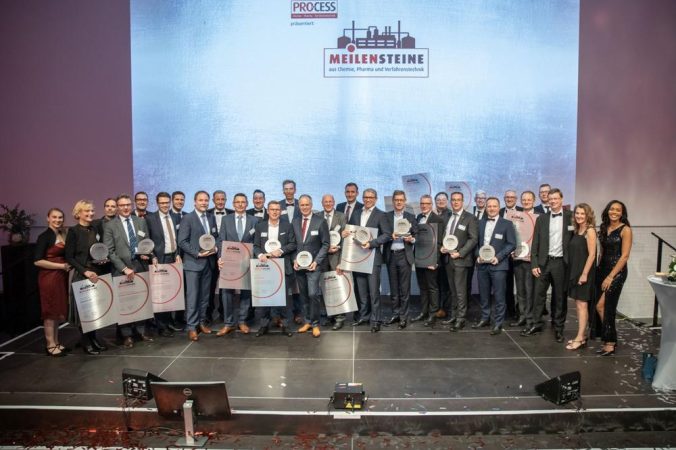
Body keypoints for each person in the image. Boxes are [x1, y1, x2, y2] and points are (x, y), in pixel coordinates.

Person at [523, 188, 573, 343]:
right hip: (543, 263)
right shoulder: (542, 218)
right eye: (551, 199)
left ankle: (558, 328)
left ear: (561, 199)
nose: (553, 201)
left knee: (559, 297)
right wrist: (534, 263)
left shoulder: (571, 217)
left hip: (561, 263)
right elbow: (536, 243)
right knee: (538, 295)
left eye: (556, 198)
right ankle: (536, 324)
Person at [104, 194, 154, 348]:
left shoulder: (141, 221)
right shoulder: (110, 225)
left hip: (140, 266)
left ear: (131, 205)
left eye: (127, 205)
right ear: (117, 207)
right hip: (121, 270)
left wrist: (147, 254)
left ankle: (141, 331)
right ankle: (127, 335)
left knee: (141, 300)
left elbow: (146, 242)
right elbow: (110, 251)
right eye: (122, 205)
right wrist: (124, 268)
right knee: (124, 304)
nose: (125, 208)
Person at [64, 200, 108, 355]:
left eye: (92, 210)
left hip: (97, 273)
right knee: (85, 312)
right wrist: (85, 271)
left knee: (95, 310)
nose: (90, 213)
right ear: (78, 213)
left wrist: (103, 259)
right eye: (87, 211)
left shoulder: (95, 228)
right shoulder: (73, 231)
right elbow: (69, 257)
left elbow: (99, 249)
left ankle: (93, 338)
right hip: (83, 275)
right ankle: (86, 341)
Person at [347, 188, 392, 332]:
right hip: (358, 257)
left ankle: (375, 320)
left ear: (376, 199)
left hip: (373, 258)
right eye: (366, 197)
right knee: (361, 291)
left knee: (373, 292)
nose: (367, 200)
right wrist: (346, 233)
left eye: (371, 197)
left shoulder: (381, 215)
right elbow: (352, 232)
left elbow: (387, 235)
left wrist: (372, 243)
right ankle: (364, 316)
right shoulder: (356, 213)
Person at [178, 191, 219, 341]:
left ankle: (201, 322)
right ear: (194, 202)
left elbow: (215, 237)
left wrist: (216, 248)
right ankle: (191, 327)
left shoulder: (211, 217)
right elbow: (182, 241)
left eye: (206, 200)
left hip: (209, 263)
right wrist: (197, 253)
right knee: (193, 297)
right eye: (201, 200)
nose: (204, 203)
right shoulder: (187, 218)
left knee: (204, 297)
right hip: (193, 264)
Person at [216, 193, 259, 336]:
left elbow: (256, 241)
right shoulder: (226, 219)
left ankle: (242, 321)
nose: (240, 204)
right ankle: (228, 323)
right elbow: (221, 240)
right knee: (226, 292)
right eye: (237, 202)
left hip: (247, 261)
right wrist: (220, 257)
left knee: (246, 292)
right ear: (233, 204)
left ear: (247, 204)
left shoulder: (254, 220)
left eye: (243, 202)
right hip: (229, 261)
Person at [253, 200, 296, 337]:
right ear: (268, 211)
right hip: (265, 267)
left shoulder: (287, 226)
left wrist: (281, 250)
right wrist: (260, 255)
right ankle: (263, 325)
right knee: (265, 298)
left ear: (281, 211)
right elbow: (255, 246)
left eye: (277, 209)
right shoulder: (260, 226)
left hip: (282, 266)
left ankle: (286, 325)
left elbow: (292, 244)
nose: (275, 212)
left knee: (284, 299)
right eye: (272, 209)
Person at [595, 200, 632, 356]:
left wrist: (611, 276)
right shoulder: (604, 227)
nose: (614, 212)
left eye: (618, 210)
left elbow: (624, 256)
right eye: (612, 209)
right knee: (600, 306)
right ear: (607, 211)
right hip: (602, 270)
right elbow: (602, 252)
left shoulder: (625, 230)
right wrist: (598, 270)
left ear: (622, 213)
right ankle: (609, 339)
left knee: (604, 306)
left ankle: (610, 341)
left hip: (617, 272)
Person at [474, 197, 516, 335]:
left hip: (499, 265)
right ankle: (485, 318)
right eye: (489, 206)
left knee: (499, 296)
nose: (491, 208)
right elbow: (475, 243)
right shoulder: (480, 223)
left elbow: (512, 244)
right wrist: (477, 256)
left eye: (494, 206)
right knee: (484, 294)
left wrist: (498, 257)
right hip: (482, 265)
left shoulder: (507, 224)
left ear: (499, 207)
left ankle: (498, 323)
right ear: (486, 208)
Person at [34, 208, 71, 357]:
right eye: (54, 217)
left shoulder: (62, 234)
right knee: (49, 311)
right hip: (49, 277)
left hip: (60, 277)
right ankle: (50, 345)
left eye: (60, 217)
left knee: (56, 310)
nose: (57, 220)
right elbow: (37, 261)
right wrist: (61, 266)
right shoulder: (44, 236)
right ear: (48, 218)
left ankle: (56, 341)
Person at [145, 191, 182, 336]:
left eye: (167, 202)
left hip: (173, 258)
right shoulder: (150, 219)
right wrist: (152, 256)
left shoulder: (175, 217)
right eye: (162, 203)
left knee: (170, 291)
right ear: (157, 203)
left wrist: (178, 254)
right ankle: (161, 326)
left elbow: (178, 238)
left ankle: (169, 322)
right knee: (160, 293)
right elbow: (147, 240)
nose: (165, 205)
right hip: (159, 259)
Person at [292, 195, 330, 337]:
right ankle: (307, 321)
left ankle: (315, 324)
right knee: (303, 295)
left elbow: (326, 244)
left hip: (314, 265)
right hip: (299, 266)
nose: (305, 207)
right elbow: (292, 244)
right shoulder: (294, 222)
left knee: (313, 294)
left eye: (307, 204)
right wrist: (294, 259)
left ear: (311, 205)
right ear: (299, 206)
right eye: (302, 205)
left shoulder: (320, 221)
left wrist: (317, 261)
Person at [440, 191, 478, 331]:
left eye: (458, 200)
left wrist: (460, 253)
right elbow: (445, 235)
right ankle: (453, 315)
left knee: (461, 291)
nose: (456, 202)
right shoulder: (448, 217)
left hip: (461, 260)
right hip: (448, 259)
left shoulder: (470, 218)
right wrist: (442, 247)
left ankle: (461, 319)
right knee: (453, 290)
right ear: (451, 202)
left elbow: (473, 239)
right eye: (453, 200)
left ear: (463, 202)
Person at [565, 203, 597, 351]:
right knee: (579, 305)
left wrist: (584, 274)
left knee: (582, 305)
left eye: (582, 214)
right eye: (577, 213)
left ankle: (580, 338)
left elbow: (592, 255)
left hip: (584, 273)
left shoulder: (590, 231)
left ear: (588, 215)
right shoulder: (578, 230)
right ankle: (581, 335)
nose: (579, 216)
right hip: (576, 271)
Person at [384, 191, 417, 328]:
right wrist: (389, 236)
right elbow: (382, 234)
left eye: (401, 200)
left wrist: (411, 239)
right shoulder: (386, 216)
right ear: (393, 201)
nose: (398, 202)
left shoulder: (411, 217)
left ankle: (404, 316)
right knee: (394, 288)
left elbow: (416, 234)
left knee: (404, 289)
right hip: (391, 255)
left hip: (404, 255)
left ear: (405, 201)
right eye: (396, 200)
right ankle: (395, 314)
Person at [414, 195, 444, 330]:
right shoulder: (418, 218)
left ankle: (433, 314)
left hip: (431, 260)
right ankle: (423, 312)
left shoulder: (438, 219)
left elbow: (439, 242)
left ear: (431, 205)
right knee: (423, 287)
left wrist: (435, 261)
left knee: (432, 287)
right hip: (420, 258)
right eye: (422, 203)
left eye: (427, 203)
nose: (424, 206)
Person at [320, 194, 348, 330]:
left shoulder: (341, 216)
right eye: (325, 202)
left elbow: (346, 240)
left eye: (330, 201)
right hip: (322, 258)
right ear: (322, 203)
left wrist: (342, 261)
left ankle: (339, 317)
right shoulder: (317, 216)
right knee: (325, 288)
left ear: (334, 202)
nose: (328, 204)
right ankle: (328, 315)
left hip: (336, 257)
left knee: (338, 287)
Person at [511, 191, 538, 328]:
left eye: (529, 199)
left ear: (534, 200)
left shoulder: (539, 217)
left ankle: (530, 318)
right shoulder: (516, 216)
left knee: (529, 291)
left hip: (531, 260)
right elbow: (512, 236)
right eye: (524, 200)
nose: (526, 202)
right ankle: (522, 316)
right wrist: (511, 250)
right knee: (520, 290)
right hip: (518, 259)